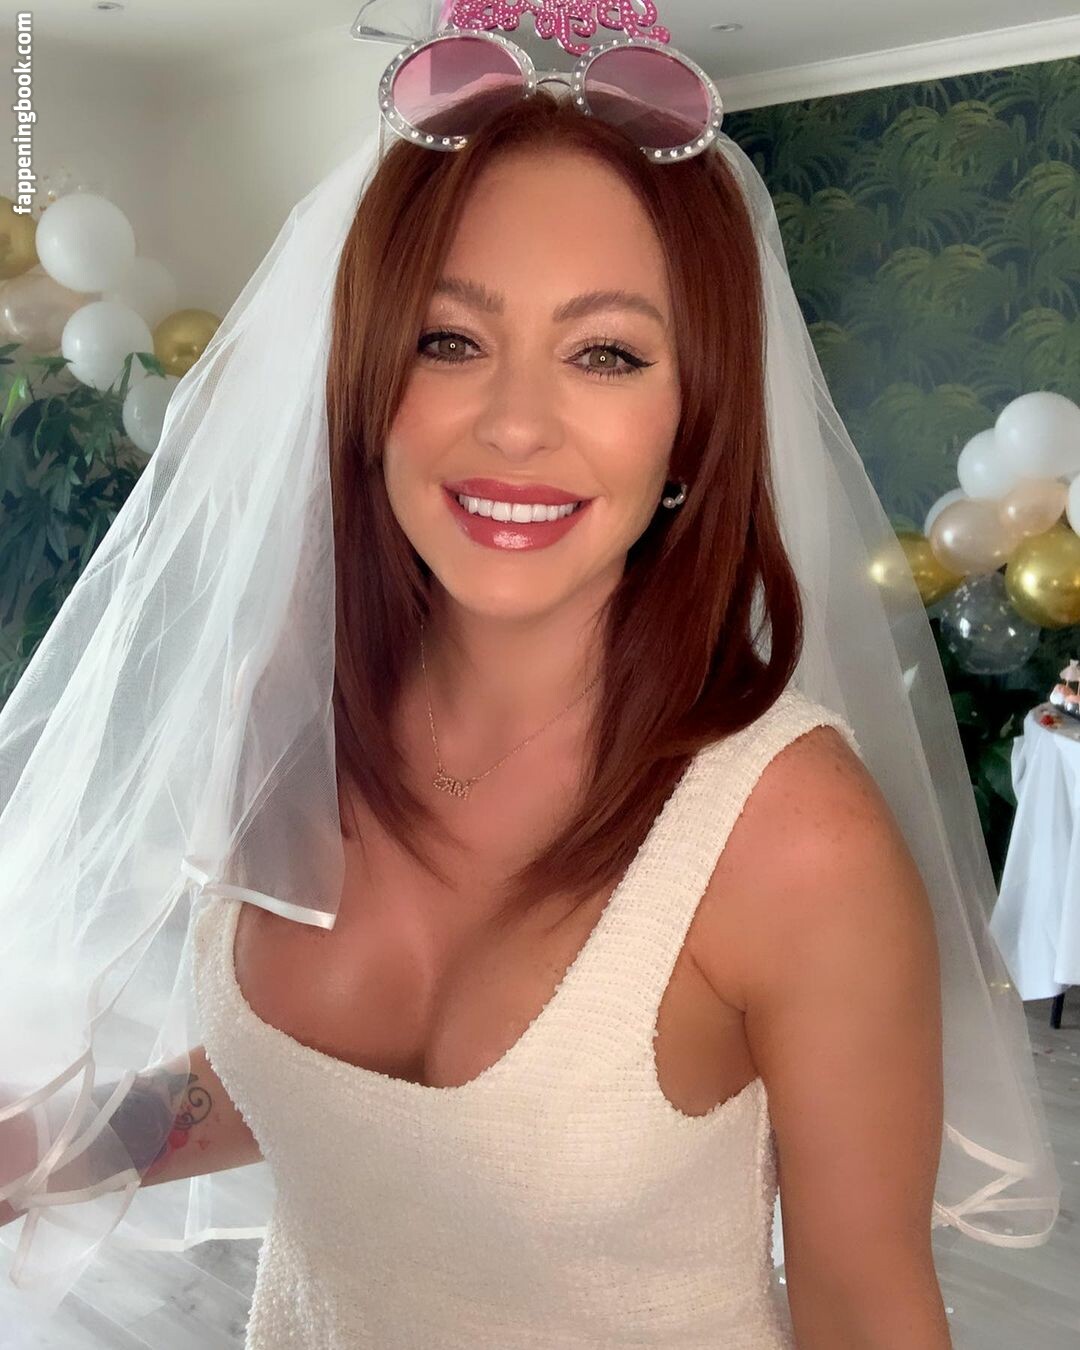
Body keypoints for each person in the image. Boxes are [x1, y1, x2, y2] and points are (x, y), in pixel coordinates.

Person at [0, 11, 1060, 1346]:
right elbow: (305, 1086)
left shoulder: (792, 841)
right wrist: (49, 1148)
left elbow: (868, 1309)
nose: (513, 423)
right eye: (449, 340)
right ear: (369, 380)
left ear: (693, 420)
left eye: (606, 352)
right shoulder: (290, 721)